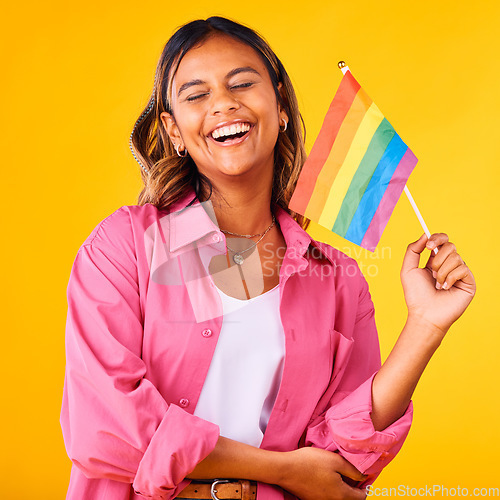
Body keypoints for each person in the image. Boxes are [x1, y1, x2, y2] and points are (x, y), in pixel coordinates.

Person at [60, 16, 476, 500]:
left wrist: (425, 325)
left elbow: (342, 460)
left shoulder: (337, 280)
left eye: (242, 83)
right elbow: (105, 426)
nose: (223, 103)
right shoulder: (123, 245)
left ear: (279, 106)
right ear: (174, 131)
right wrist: (283, 471)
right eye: (196, 95)